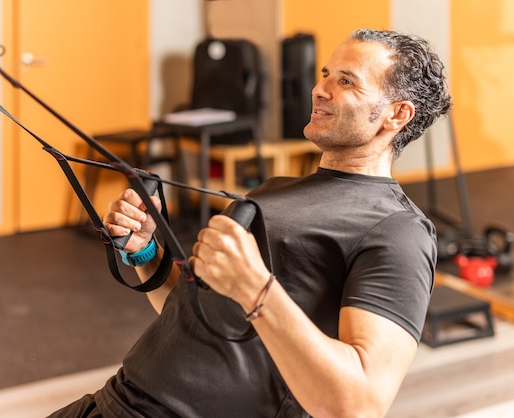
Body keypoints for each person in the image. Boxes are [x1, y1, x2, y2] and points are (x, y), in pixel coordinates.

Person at [50, 28, 451, 417]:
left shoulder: (398, 230)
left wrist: (256, 287)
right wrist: (145, 251)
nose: (320, 88)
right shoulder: (272, 190)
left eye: (346, 81)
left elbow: (359, 403)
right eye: (325, 74)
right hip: (114, 400)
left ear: (397, 114)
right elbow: (194, 313)